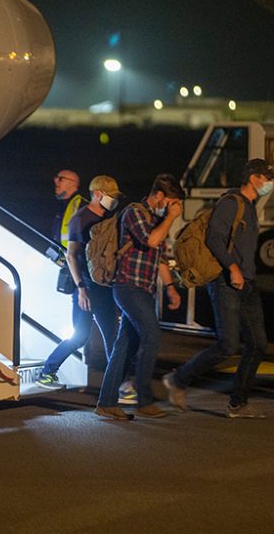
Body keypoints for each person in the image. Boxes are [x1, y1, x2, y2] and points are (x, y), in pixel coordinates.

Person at [164, 159, 274, 418]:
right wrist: (233, 267)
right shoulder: (231, 203)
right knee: (227, 345)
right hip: (227, 282)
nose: (269, 183)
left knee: (258, 344)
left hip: (248, 283)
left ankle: (238, 403)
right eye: (266, 177)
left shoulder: (249, 205)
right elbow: (214, 238)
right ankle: (179, 379)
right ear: (253, 178)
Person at [95, 173, 184, 420]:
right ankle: (144, 400)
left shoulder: (157, 219)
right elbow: (151, 240)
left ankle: (106, 401)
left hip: (145, 290)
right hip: (127, 287)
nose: (174, 208)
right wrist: (170, 218)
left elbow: (161, 258)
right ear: (159, 196)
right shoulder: (134, 212)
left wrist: (171, 289)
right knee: (152, 337)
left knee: (124, 346)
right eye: (172, 202)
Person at [37, 175, 122, 389]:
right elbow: (71, 255)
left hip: (102, 287)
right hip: (87, 287)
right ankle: (48, 371)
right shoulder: (80, 218)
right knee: (82, 336)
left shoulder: (107, 218)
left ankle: (120, 384)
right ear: (97, 194)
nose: (113, 200)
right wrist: (81, 288)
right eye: (110, 196)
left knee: (110, 336)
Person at [51, 169, 84, 250]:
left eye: (60, 179)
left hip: (70, 259)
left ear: (73, 183)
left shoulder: (82, 206)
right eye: (56, 178)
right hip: (60, 259)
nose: (55, 181)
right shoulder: (61, 207)